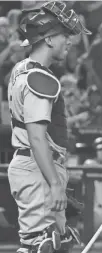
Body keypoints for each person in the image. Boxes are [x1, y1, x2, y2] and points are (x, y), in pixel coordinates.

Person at [7, 2, 90, 252]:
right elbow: (37, 137)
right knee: (39, 245)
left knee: (58, 243)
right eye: (65, 35)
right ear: (50, 38)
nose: (69, 41)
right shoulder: (40, 78)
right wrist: (54, 183)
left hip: (36, 166)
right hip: (38, 168)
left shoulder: (22, 69)